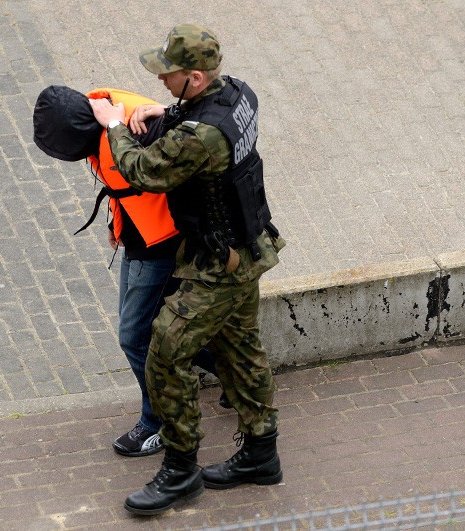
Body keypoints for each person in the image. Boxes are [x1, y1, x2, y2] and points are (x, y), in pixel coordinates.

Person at [89, 23, 287, 515]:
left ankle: (179, 471)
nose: (159, 81)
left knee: (163, 352)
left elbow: (145, 171)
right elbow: (203, 118)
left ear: (195, 76)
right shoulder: (239, 95)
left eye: (169, 76)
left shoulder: (201, 139)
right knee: (241, 351)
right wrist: (171, 110)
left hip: (217, 263)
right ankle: (261, 456)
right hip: (250, 246)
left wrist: (114, 124)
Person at [33, 85, 222, 458]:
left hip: (159, 246)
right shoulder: (105, 112)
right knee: (167, 327)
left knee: (135, 337)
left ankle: (161, 424)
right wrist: (117, 221)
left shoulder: (126, 130)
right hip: (152, 235)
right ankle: (232, 373)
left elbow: (161, 161)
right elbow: (128, 188)